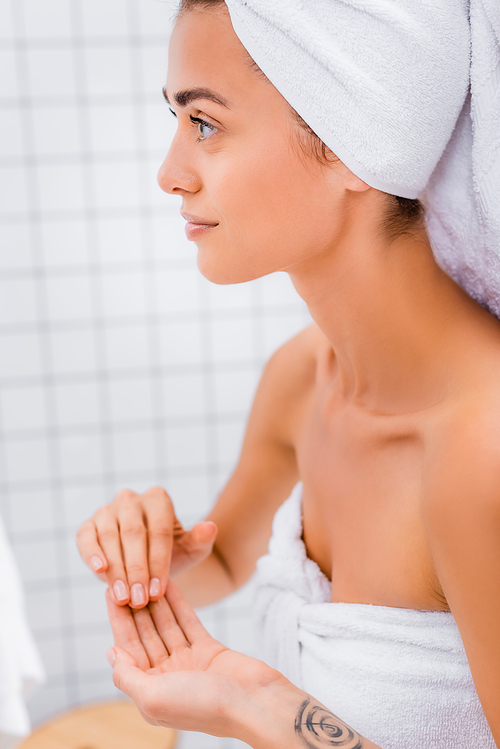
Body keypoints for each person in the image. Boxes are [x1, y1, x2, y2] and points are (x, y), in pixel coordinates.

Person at [77, 1, 500, 747]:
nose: (169, 173)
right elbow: (231, 555)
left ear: (348, 144)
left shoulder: (480, 449)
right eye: (175, 121)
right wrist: (151, 559)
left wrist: (266, 712)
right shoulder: (304, 377)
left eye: (203, 123)